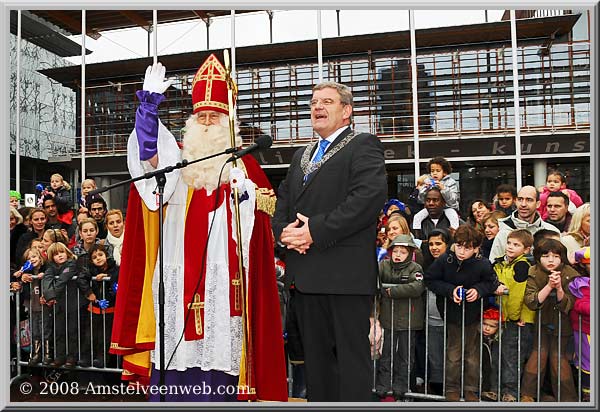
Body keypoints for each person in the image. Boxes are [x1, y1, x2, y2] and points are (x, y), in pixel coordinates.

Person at [110, 57, 287, 401]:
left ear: (228, 122)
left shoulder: (244, 164)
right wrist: (147, 109)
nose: (207, 124)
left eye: (214, 117)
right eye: (201, 117)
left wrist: (244, 192)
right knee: (174, 343)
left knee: (220, 345)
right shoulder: (179, 160)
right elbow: (149, 156)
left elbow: (260, 222)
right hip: (178, 269)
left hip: (224, 276)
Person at [272, 80, 387, 401]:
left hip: (345, 276)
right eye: (313, 103)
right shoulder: (301, 155)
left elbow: (367, 199)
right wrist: (285, 234)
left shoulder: (363, 144)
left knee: (351, 364)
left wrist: (314, 231)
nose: (317, 107)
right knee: (317, 365)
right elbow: (283, 202)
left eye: (326, 102)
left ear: (346, 111)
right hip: (306, 277)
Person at [424, 225, 497, 402]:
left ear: (476, 248)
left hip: (473, 315)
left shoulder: (483, 264)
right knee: (454, 354)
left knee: (472, 354)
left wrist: (478, 291)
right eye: (459, 246)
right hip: (451, 313)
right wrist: (450, 290)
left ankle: (471, 388)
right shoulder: (444, 260)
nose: (462, 251)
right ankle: (452, 388)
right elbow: (430, 279)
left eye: (468, 247)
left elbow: (492, 282)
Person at [520, 238, 579, 402]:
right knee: (538, 354)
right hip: (541, 322)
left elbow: (569, 303)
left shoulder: (571, 274)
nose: (551, 260)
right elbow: (531, 300)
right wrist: (549, 286)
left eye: (555, 256)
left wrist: (559, 288)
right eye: (546, 256)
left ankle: (567, 398)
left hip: (563, 324)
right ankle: (528, 394)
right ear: (538, 257)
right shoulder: (533, 272)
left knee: (558, 358)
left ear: (562, 258)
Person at [375, 234, 425, 401]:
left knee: (405, 355)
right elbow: (374, 283)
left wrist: (391, 291)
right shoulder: (383, 265)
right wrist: (386, 289)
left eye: (402, 252)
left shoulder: (415, 268)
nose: (397, 255)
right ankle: (383, 385)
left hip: (409, 320)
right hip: (387, 319)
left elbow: (417, 287)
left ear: (409, 253)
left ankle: (401, 386)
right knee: (386, 354)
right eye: (395, 251)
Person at [492, 229, 535, 402]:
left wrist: (515, 317)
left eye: (516, 245)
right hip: (503, 317)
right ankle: (495, 388)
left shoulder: (522, 265)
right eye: (509, 243)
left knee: (512, 356)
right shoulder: (500, 263)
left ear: (526, 249)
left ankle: (511, 392)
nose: (510, 247)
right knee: (499, 354)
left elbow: (517, 294)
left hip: (518, 319)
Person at [413, 228, 452, 396]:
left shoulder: (453, 262)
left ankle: (452, 389)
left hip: (450, 320)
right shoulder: (425, 263)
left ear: (447, 245)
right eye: (431, 244)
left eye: (439, 244)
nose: (434, 247)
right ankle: (436, 390)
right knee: (434, 357)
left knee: (452, 357)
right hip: (430, 320)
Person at [488, 185, 559, 261]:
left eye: (529, 200)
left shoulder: (551, 232)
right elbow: (493, 264)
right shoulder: (503, 232)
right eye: (520, 199)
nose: (523, 204)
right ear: (515, 202)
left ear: (538, 204)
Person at [78, 243, 119, 368]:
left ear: (106, 255)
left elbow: (119, 278)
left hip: (110, 310)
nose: (98, 258)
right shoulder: (90, 269)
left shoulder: (115, 268)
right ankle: (86, 358)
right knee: (89, 336)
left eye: (101, 255)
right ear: (91, 260)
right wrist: (89, 293)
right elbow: (81, 279)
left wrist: (108, 277)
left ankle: (102, 359)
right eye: (95, 257)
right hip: (94, 310)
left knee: (105, 337)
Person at [40, 242, 79, 367]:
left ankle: (72, 356)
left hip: (73, 303)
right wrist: (49, 296)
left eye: (62, 252)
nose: (60, 256)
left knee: (72, 330)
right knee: (59, 331)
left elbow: (63, 279)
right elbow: (46, 280)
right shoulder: (51, 268)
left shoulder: (72, 263)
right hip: (59, 305)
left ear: (67, 252)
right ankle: (60, 356)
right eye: (56, 254)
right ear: (52, 258)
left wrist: (52, 295)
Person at [16, 247, 47, 366]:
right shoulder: (26, 272)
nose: (32, 259)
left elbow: (50, 272)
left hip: (44, 307)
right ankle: (36, 353)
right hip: (32, 306)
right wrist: (21, 275)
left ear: (40, 257)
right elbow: (16, 277)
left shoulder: (46, 268)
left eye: (34, 257)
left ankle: (47, 354)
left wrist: (43, 275)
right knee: (34, 331)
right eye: (29, 258)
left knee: (46, 330)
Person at [413, 157, 460, 231]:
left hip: (448, 208)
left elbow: (453, 200)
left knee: (453, 217)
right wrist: (425, 189)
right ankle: (418, 237)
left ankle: (455, 235)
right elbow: (421, 199)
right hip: (431, 209)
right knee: (417, 217)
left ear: (444, 172)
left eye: (438, 171)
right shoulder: (427, 181)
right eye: (432, 171)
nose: (434, 173)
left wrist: (443, 189)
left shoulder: (451, 182)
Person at [568, 247, 590, 402]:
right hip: (587, 331)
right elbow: (581, 305)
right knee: (588, 363)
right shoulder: (581, 282)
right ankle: (588, 394)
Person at [480, 307, 501, 402]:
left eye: (492, 326)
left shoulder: (499, 342)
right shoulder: (476, 339)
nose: (487, 328)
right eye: (484, 324)